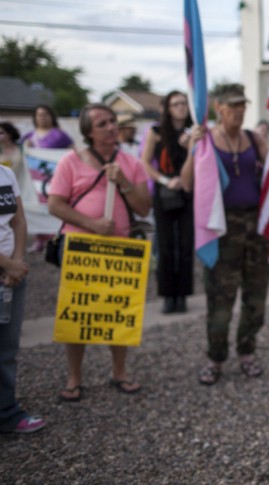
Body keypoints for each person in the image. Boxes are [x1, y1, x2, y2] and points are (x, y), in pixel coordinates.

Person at [47, 104, 152, 401]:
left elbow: (144, 207)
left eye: (112, 121)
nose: (111, 127)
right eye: (103, 123)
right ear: (88, 132)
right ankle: (74, 376)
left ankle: (119, 372)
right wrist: (91, 223)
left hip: (120, 249)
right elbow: (55, 204)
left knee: (118, 312)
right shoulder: (71, 162)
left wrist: (125, 184)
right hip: (81, 248)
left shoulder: (131, 163)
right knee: (79, 313)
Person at [180, 83, 269, 386]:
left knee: (256, 297)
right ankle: (215, 357)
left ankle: (247, 350)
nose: (240, 112)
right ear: (219, 108)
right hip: (222, 228)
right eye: (233, 106)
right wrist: (194, 149)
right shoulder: (206, 141)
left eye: (243, 105)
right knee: (220, 300)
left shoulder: (254, 139)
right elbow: (186, 182)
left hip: (255, 227)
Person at [0, 163, 45, 434]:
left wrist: (17, 259)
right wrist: (8, 264)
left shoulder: (5, 174)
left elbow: (18, 220)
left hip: (10, 277)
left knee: (7, 349)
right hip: (8, 270)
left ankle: (6, 411)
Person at [141, 91, 194, 314]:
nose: (180, 107)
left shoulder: (193, 131)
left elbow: (200, 160)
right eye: (175, 104)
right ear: (168, 108)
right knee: (164, 246)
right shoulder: (156, 132)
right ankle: (167, 296)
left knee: (184, 245)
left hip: (186, 191)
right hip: (164, 193)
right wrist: (165, 181)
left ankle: (182, 295)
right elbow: (145, 163)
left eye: (183, 103)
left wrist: (190, 146)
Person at [22, 104, 74, 253]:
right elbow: (20, 153)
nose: (42, 117)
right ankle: (39, 239)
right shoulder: (29, 136)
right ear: (35, 118)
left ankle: (55, 239)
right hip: (35, 181)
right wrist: (27, 146)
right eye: (39, 115)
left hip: (55, 178)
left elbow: (72, 151)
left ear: (51, 116)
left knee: (55, 205)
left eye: (45, 114)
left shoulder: (60, 135)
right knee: (38, 206)